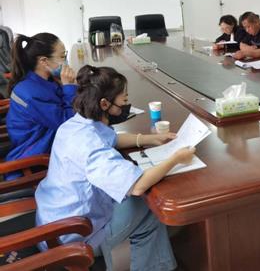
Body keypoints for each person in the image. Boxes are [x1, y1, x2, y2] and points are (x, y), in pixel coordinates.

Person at [35, 65, 195, 271]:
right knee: (149, 207)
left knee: (142, 207)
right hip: (73, 238)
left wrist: (149, 139)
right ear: (104, 103)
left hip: (52, 220)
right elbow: (137, 186)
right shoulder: (91, 146)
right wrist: (176, 159)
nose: (126, 105)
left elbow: (112, 138)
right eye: (123, 100)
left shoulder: (77, 123)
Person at [5, 33, 77, 179]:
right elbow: (68, 124)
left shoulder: (44, 80)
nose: (66, 61)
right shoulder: (32, 93)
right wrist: (69, 87)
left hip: (45, 143)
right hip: (33, 159)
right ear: (44, 61)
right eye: (62, 56)